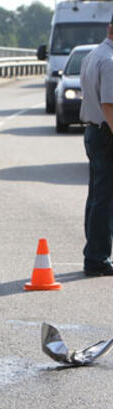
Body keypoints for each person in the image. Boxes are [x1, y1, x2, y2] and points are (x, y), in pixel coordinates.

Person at [80, 15, 113, 276]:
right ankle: (97, 258)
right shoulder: (110, 61)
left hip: (92, 130)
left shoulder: (92, 55)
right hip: (106, 133)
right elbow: (109, 106)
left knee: (96, 197)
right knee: (104, 200)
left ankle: (93, 251)